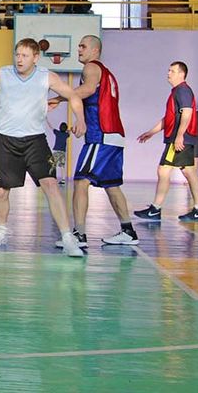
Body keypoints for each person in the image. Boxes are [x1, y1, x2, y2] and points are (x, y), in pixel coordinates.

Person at [0, 38, 86, 257]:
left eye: (25, 56)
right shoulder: (2, 74)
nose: (19, 59)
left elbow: (72, 95)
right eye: (17, 55)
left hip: (36, 141)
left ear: (36, 58)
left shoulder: (46, 76)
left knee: (51, 185)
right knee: (1, 191)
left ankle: (67, 237)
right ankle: (1, 230)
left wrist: (80, 118)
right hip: (5, 140)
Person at [49, 35, 139, 246]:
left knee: (81, 181)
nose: (79, 49)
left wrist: (60, 97)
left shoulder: (91, 67)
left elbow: (87, 90)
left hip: (101, 135)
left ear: (95, 51)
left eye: (83, 46)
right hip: (114, 136)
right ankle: (128, 231)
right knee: (112, 185)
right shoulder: (106, 73)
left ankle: (79, 235)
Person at [134, 61, 198, 222]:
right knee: (185, 172)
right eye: (169, 70)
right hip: (178, 138)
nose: (168, 73)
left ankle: (157, 209)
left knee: (167, 171)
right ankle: (197, 209)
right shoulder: (177, 91)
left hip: (180, 140)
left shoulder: (183, 90)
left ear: (181, 74)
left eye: (172, 71)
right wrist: (151, 132)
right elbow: (169, 118)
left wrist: (180, 136)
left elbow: (187, 112)